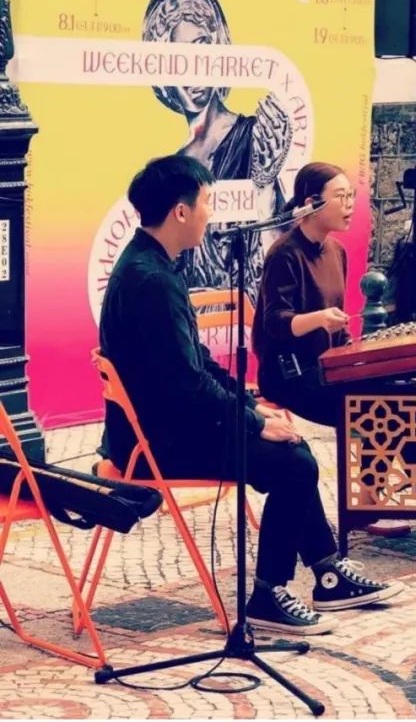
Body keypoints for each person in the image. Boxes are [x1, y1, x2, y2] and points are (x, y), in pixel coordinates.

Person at [99, 155, 400, 637]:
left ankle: (326, 573)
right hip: (159, 441)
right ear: (180, 211)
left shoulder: (154, 265)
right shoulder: (151, 281)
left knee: (293, 450)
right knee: (293, 462)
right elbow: (188, 386)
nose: (210, 214)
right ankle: (269, 594)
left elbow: (196, 363)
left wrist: (250, 403)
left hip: (170, 423)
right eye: (207, 203)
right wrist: (255, 423)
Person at [142, 0, 293, 301]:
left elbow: (277, 262)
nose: (194, 72)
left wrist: (265, 185)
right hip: (191, 318)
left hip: (244, 315)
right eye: (179, 59)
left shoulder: (254, 137)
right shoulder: (174, 167)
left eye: (202, 49)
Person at [253, 162, 355, 426]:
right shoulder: (284, 254)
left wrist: (355, 354)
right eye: (341, 196)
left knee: (393, 398)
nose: (349, 204)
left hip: (325, 367)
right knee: (369, 406)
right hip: (288, 374)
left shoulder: (337, 251)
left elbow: (340, 324)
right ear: (311, 203)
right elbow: (274, 322)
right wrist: (319, 319)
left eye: (351, 195)